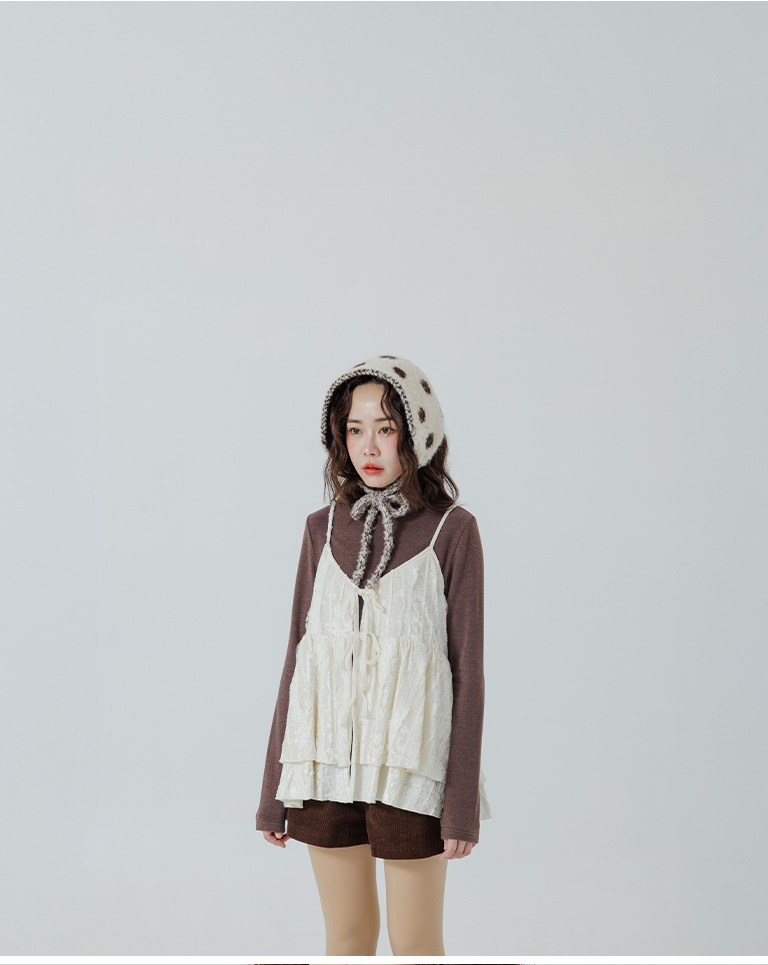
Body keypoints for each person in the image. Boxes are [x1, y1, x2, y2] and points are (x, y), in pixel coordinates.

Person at [255, 354, 491, 956]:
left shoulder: (452, 530)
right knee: (347, 937)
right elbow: (298, 660)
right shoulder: (320, 528)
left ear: (419, 433)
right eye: (354, 429)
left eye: (386, 428)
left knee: (415, 944)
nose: (369, 446)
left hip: (411, 770)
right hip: (325, 764)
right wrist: (272, 792)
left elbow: (467, 672)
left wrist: (460, 805)